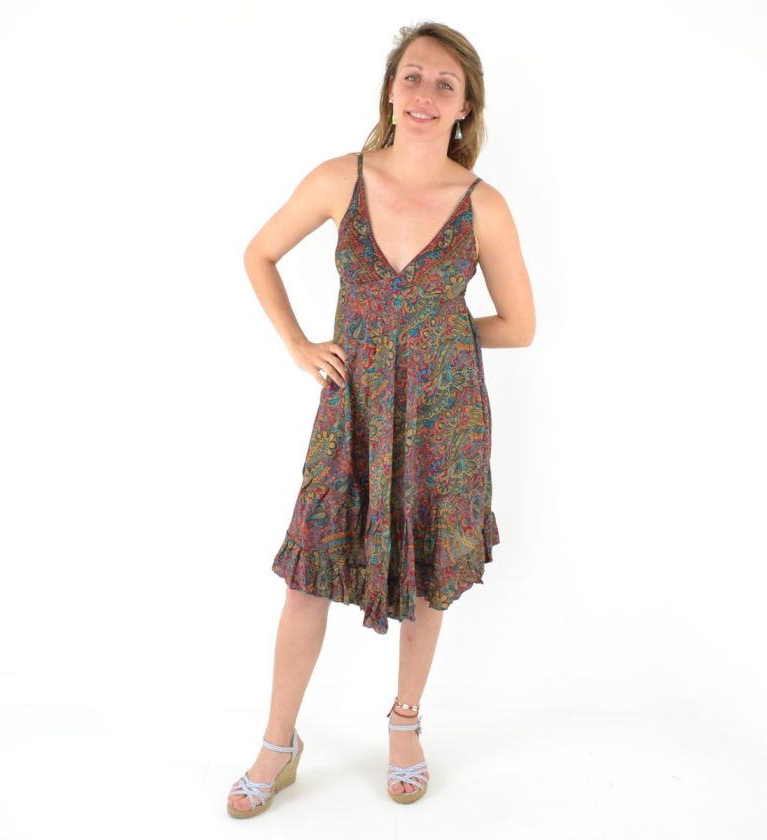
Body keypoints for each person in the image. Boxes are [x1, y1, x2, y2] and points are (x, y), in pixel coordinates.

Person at [227, 21, 535, 817]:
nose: (425, 94)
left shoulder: (483, 206)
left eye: (445, 84)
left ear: (465, 108)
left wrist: (433, 334)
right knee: (308, 576)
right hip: (353, 408)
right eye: (413, 76)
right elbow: (259, 254)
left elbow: (520, 325)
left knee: (429, 573)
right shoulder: (341, 179)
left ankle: (405, 722)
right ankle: (278, 742)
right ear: (391, 91)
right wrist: (298, 343)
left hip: (443, 413)